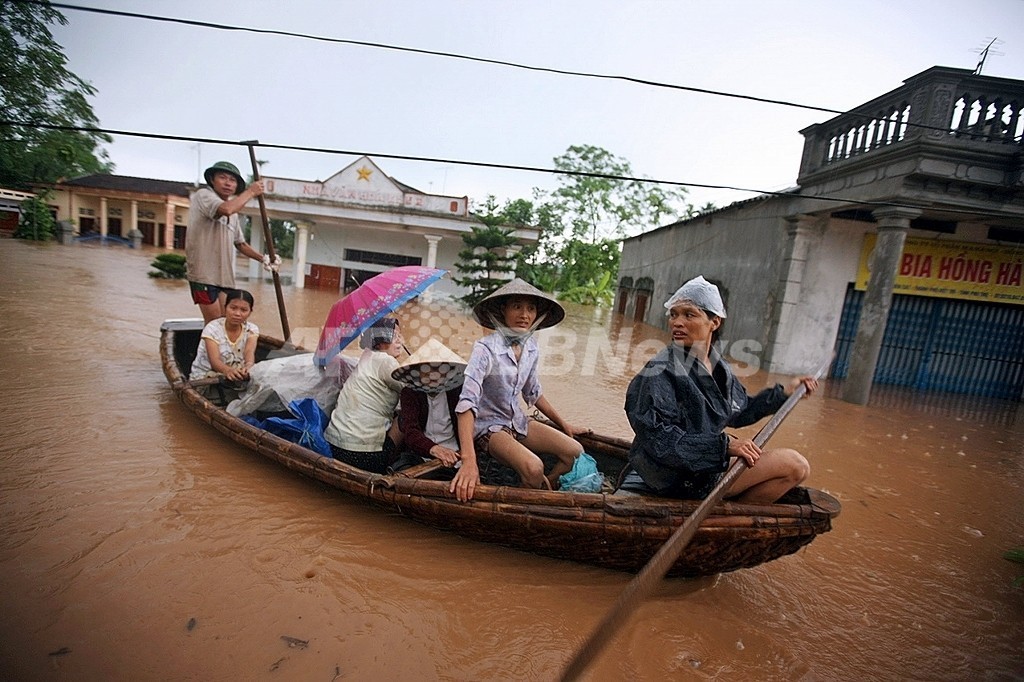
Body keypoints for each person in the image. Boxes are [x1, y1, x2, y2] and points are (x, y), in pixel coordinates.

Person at [620, 275, 817, 504]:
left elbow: (739, 410)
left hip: (705, 467)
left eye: (689, 314)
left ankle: (729, 519)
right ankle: (727, 519)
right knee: (794, 464)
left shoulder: (717, 366)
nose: (677, 322)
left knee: (797, 470)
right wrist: (724, 447)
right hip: (673, 476)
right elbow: (660, 441)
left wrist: (784, 394)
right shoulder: (659, 372)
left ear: (714, 322)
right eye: (674, 314)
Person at [451, 278, 587, 502]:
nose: (524, 314)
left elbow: (533, 392)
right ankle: (524, 498)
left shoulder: (531, 346)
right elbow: (466, 404)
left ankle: (544, 487)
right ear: (503, 310)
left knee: (575, 452)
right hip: (490, 429)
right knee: (534, 467)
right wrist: (468, 460)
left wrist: (564, 425)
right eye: (517, 306)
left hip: (518, 421)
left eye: (530, 308)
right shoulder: (485, 349)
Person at [185, 161, 280, 324]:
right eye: (222, 178)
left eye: (232, 180)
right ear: (212, 180)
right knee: (214, 325)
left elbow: (240, 244)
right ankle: (205, 351)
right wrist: (251, 191)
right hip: (204, 276)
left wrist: (264, 258)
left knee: (228, 323)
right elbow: (226, 209)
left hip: (225, 277)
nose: (228, 183)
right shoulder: (204, 196)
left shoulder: (234, 216)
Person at [324, 317, 405, 473]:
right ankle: (392, 463)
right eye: (394, 337)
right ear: (380, 342)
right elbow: (413, 390)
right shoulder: (386, 361)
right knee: (408, 412)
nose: (399, 341)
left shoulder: (366, 356)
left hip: (333, 445)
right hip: (362, 455)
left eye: (399, 336)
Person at [392, 338, 467, 471]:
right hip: (421, 456)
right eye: (427, 369)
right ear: (418, 372)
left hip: (455, 456)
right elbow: (411, 431)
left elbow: (468, 426)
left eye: (438, 369)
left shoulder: (457, 392)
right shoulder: (410, 393)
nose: (433, 374)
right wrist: (434, 449)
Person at [189, 288, 259, 384]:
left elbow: (249, 352)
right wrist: (227, 370)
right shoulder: (212, 329)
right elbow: (215, 361)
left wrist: (249, 366)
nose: (237, 314)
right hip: (206, 378)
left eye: (243, 310)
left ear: (250, 312)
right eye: (233, 308)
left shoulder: (251, 329)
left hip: (237, 375)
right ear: (225, 308)